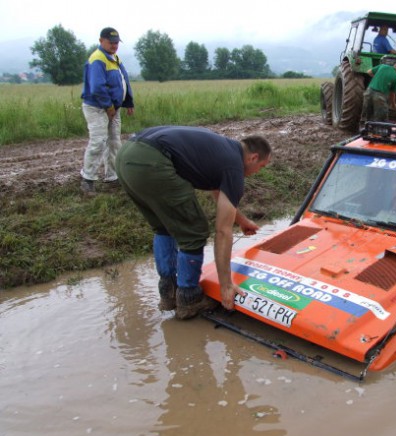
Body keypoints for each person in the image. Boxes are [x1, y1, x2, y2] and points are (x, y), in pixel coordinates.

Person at [115, 126, 272, 320]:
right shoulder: (234, 167)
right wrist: (226, 285)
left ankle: (168, 292)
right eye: (262, 166)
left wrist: (242, 220)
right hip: (152, 162)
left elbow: (218, 190)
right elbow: (223, 231)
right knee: (194, 231)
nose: (258, 171)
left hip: (126, 156)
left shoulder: (223, 150)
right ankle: (189, 298)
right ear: (253, 158)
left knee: (164, 226)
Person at [80, 27, 135, 196]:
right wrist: (109, 107)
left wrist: (128, 102)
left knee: (114, 142)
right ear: (101, 41)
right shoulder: (97, 59)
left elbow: (123, 80)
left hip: (113, 108)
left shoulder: (115, 58)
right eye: (111, 42)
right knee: (98, 142)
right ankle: (87, 180)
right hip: (97, 108)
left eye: (116, 42)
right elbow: (97, 87)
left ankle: (113, 177)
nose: (114, 45)